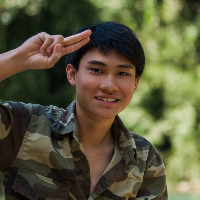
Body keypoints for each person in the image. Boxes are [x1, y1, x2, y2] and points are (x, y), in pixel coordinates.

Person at [0, 22, 167, 200]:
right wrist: (19, 58)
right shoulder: (24, 127)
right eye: (96, 70)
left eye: (122, 73)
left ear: (135, 83)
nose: (109, 86)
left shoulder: (144, 159)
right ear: (72, 74)